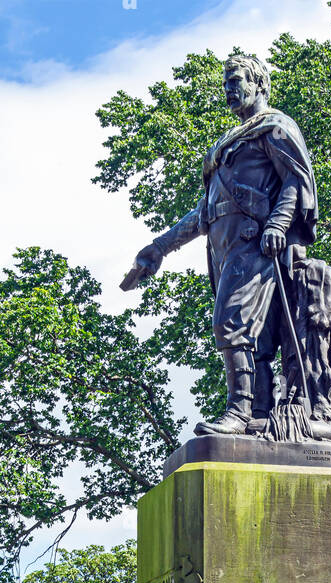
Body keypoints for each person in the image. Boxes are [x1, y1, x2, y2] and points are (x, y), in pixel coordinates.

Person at [125, 53, 318, 435]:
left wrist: (278, 223)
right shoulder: (226, 143)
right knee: (254, 336)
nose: (229, 91)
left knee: (230, 323)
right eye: (226, 84)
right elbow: (205, 210)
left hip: (256, 245)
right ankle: (259, 415)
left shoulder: (275, 127)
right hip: (223, 250)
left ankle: (240, 413)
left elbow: (297, 181)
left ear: (258, 83)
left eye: (236, 81)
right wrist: (159, 247)